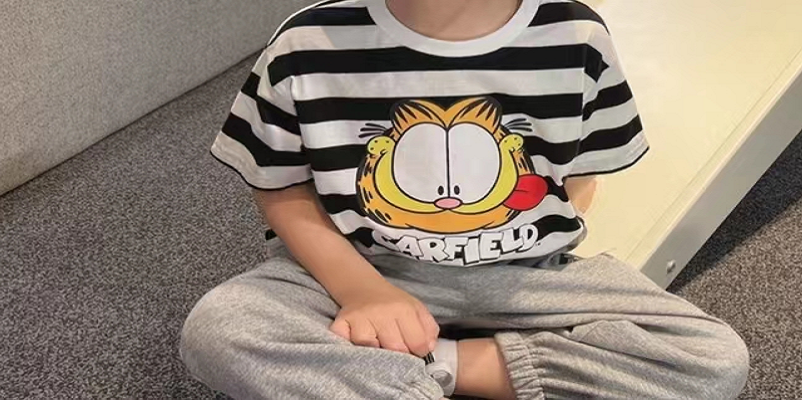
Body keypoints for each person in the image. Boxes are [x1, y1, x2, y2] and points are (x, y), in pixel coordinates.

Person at [180, 0, 750, 398]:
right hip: (360, 266)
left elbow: (581, 179)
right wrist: (362, 290)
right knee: (221, 327)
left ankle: (434, 367)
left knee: (710, 361)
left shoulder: (578, 37)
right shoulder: (303, 45)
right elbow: (279, 185)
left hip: (530, 277)